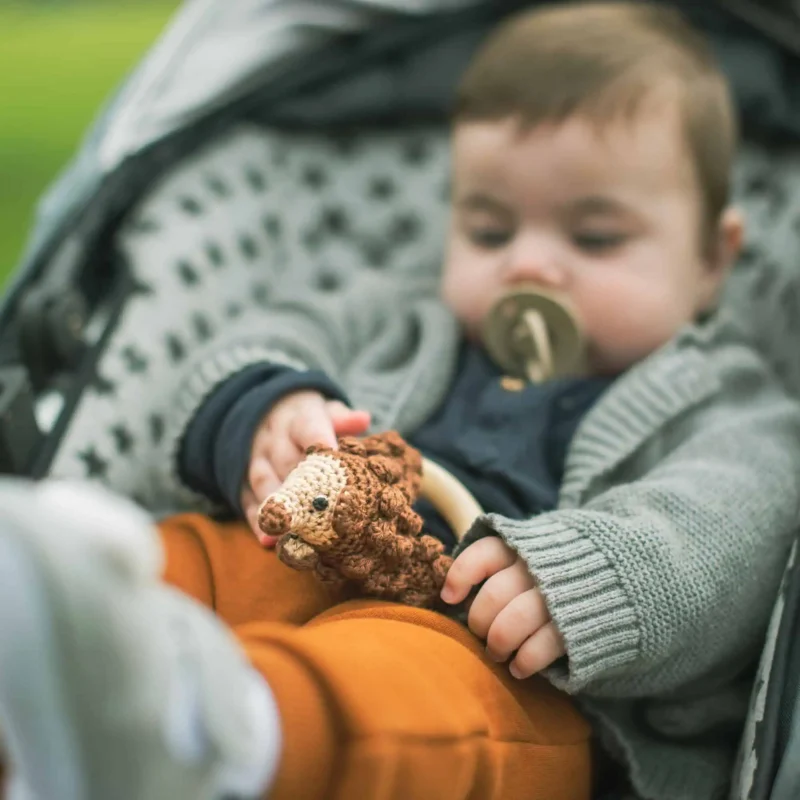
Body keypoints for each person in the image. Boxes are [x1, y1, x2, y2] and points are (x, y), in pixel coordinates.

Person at [2, 3, 800, 799]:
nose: (528, 266)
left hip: (507, 669)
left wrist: (583, 580)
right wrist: (272, 408)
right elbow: (267, 334)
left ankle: (212, 736)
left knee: (403, 689)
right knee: (208, 560)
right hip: (314, 545)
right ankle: (59, 627)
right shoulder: (402, 314)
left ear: (711, 258)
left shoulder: (726, 400)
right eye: (489, 231)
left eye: (595, 239)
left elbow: (729, 528)